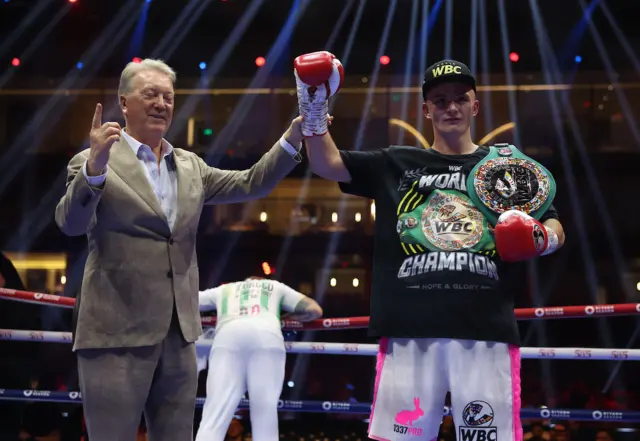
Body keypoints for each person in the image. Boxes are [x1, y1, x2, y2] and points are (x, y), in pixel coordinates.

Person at [292, 53, 566, 441]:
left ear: (475, 104)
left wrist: (541, 238)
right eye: (440, 100)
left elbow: (553, 222)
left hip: (485, 327)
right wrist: (314, 113)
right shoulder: (397, 162)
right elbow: (327, 163)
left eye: (459, 98)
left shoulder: (505, 168)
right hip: (409, 329)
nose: (450, 107)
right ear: (425, 109)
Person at [54, 58, 305, 441]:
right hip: (115, 334)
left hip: (179, 336)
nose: (160, 103)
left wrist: (293, 138)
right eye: (150, 94)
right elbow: (70, 224)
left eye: (168, 97)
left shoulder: (191, 166)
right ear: (124, 103)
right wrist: (95, 169)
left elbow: (251, 183)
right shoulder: (92, 161)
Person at [195, 277, 322, 441]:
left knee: (214, 414)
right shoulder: (275, 286)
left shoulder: (225, 289)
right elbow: (315, 310)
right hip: (266, 336)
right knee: (264, 415)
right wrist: (288, 317)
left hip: (228, 337)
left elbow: (188, 300)